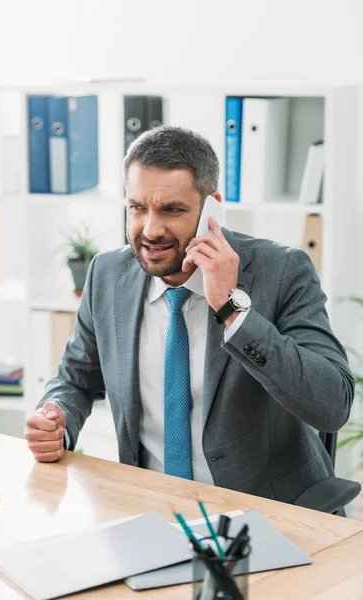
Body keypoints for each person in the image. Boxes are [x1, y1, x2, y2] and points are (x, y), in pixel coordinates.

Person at [25, 125, 354, 504]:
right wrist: (56, 419)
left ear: (210, 206)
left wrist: (232, 307)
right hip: (152, 509)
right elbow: (76, 380)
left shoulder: (282, 271)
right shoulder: (107, 275)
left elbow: (332, 406)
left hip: (267, 512)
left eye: (172, 210)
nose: (150, 229)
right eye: (137, 207)